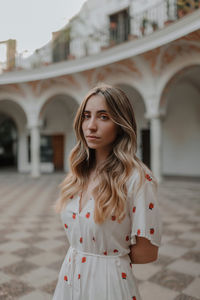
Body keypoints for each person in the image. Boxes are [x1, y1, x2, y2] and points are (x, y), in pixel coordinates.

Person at [53, 84, 162, 300]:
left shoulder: (137, 178)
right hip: (69, 277)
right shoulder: (78, 172)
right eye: (86, 116)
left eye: (103, 117)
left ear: (121, 124)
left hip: (108, 283)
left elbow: (147, 252)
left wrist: (105, 257)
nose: (91, 126)